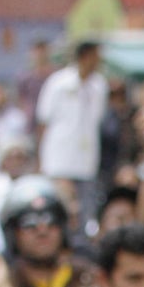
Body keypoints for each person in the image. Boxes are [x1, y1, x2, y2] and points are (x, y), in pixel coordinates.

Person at [0, 177, 101, 287]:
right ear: (13, 233)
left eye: (51, 220)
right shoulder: (6, 285)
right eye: (29, 224)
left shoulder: (90, 277)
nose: (42, 231)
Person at [37, 41, 109, 220]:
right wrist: (41, 159)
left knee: (85, 214)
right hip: (59, 160)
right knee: (60, 211)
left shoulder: (99, 86)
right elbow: (43, 121)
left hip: (87, 162)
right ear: (85, 57)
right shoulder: (58, 83)